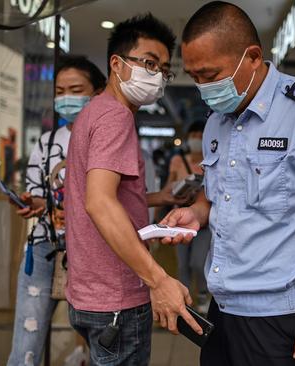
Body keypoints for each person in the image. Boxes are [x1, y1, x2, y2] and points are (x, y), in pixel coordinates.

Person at [160, 2, 295, 366]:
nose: (203, 88)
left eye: (210, 75)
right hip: (223, 309)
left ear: (252, 57)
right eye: (194, 77)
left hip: (281, 318)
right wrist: (195, 213)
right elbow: (217, 196)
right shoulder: (216, 123)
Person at [64, 13, 203, 366]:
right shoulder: (116, 116)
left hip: (87, 294)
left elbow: (94, 193)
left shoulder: (94, 111)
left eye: (164, 70)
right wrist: (158, 281)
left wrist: (161, 198)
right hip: (116, 297)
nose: (156, 77)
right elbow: (98, 202)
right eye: (149, 64)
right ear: (117, 64)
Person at [7, 55, 106, 366]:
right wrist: (33, 204)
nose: (67, 99)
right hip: (45, 247)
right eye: (60, 91)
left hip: (94, 251)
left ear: (98, 91)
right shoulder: (48, 142)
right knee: (27, 342)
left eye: (75, 89)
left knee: (101, 343)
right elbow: (37, 190)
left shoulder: (107, 137)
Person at [165, 121, 211, 313]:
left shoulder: (210, 160)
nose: (196, 140)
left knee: (198, 262)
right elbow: (168, 187)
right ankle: (184, 303)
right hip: (180, 216)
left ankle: (202, 293)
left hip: (204, 220)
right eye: (193, 136)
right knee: (183, 264)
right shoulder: (177, 161)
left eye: (201, 136)